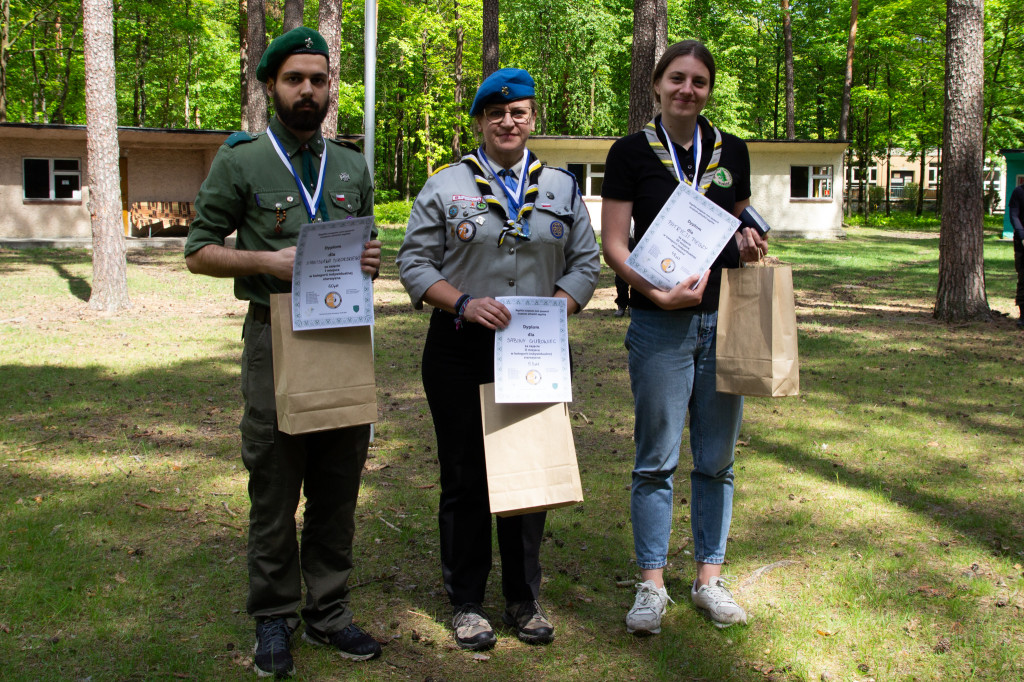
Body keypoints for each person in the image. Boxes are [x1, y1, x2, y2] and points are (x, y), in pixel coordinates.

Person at [184, 26, 383, 678]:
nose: (307, 90)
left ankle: (328, 612)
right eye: (295, 78)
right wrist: (266, 258)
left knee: (338, 482)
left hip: (344, 337)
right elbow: (199, 251)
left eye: (318, 80)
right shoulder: (242, 161)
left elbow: (365, 246)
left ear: (330, 89)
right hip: (275, 337)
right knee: (276, 483)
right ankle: (274, 616)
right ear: (271, 85)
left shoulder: (351, 166)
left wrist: (372, 259)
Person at [396, 68, 601, 650]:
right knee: (464, 477)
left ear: (533, 118)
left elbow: (585, 262)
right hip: (460, 347)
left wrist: (557, 309)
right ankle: (466, 602)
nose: (508, 122)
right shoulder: (445, 186)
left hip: (534, 348)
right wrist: (461, 302)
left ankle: (522, 597)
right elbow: (414, 264)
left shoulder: (560, 188)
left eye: (519, 113)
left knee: (529, 471)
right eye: (496, 114)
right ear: (481, 122)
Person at [600, 40, 769, 634]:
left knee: (717, 460)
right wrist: (656, 293)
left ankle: (708, 580)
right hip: (659, 321)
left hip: (728, 321)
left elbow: (744, 223)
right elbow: (614, 245)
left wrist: (751, 242)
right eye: (677, 78)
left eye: (698, 81)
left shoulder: (733, 151)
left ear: (708, 89)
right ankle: (651, 585)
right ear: (657, 84)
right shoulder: (629, 153)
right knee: (656, 459)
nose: (687, 90)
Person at [1009, 182, 1024, 328]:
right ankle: (1023, 315)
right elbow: (1014, 216)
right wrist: (1022, 236)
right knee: (1023, 278)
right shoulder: (1018, 192)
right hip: (1022, 244)